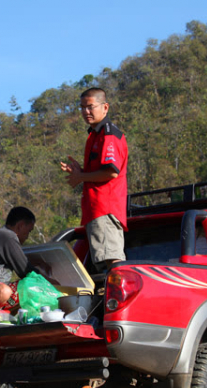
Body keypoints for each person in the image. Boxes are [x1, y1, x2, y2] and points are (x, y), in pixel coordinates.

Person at [60, 87, 128, 271]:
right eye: (82, 107)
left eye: (90, 107)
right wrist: (80, 172)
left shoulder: (109, 135)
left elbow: (111, 171)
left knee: (112, 261)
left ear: (105, 107)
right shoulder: (94, 135)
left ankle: (118, 298)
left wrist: (80, 176)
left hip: (105, 208)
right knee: (104, 262)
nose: (85, 112)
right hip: (95, 209)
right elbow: (101, 170)